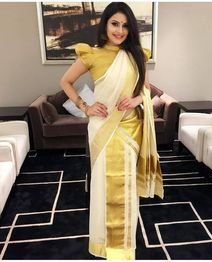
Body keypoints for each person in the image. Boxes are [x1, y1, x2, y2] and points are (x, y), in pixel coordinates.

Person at [60, 2, 163, 260]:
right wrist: (85, 106)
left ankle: (124, 246)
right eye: (115, 23)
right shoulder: (91, 54)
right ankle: (102, 243)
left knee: (126, 188)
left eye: (125, 25)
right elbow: (66, 81)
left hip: (130, 129)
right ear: (105, 24)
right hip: (103, 128)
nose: (120, 30)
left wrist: (136, 100)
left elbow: (147, 90)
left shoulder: (138, 54)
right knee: (104, 186)